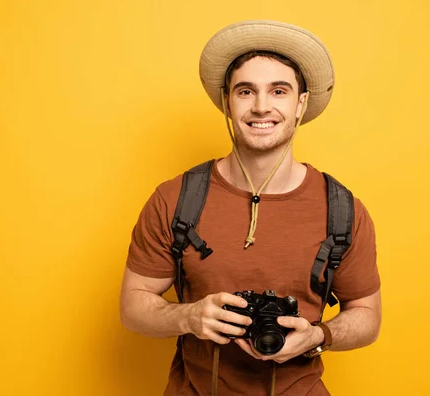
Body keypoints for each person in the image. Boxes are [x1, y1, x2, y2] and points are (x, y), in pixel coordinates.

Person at [119, 20, 382, 396]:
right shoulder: (175, 198)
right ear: (227, 102)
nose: (262, 107)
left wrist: (317, 336)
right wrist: (189, 316)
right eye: (246, 91)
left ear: (300, 104)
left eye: (278, 91)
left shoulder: (342, 210)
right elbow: (132, 306)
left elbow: (368, 317)